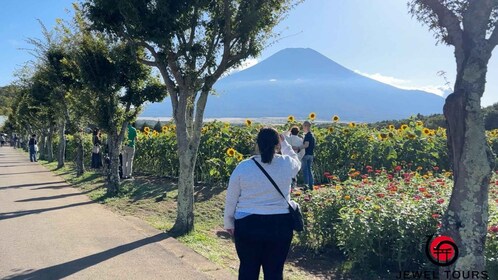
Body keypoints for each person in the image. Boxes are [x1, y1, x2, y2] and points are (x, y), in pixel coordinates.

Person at [224, 127, 301, 280]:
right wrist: (284, 143)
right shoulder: (286, 164)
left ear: (257, 144)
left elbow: (231, 198)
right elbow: (297, 162)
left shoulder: (243, 167)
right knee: (274, 272)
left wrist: (229, 223)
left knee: (247, 270)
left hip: (248, 224)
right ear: (277, 144)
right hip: (280, 225)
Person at [298, 121, 316, 190]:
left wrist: (298, 148)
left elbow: (306, 145)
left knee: (305, 171)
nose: (303, 128)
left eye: (303, 126)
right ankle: (311, 186)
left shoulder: (308, 135)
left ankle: (306, 186)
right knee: (309, 170)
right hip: (311, 154)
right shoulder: (312, 135)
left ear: (306, 126)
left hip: (306, 155)